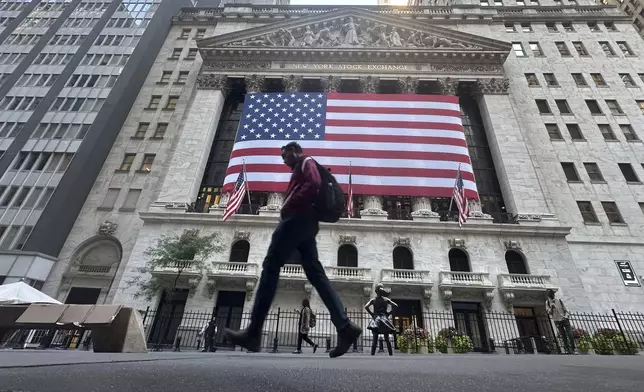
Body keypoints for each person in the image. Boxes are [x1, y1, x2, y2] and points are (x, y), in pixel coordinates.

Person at [224, 142, 362, 358]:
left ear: (296, 151)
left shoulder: (306, 161)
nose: (283, 158)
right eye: (281, 156)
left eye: (285, 154)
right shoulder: (299, 167)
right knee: (316, 274)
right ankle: (345, 327)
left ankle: (253, 332)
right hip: (307, 222)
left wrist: (289, 206)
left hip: (297, 219)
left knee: (271, 265)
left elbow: (314, 183)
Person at [365, 284, 397, 356]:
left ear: (376, 291)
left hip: (376, 319)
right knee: (387, 339)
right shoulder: (386, 300)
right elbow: (395, 305)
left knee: (375, 340)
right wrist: (389, 313)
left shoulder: (373, 300)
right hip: (384, 319)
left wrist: (372, 314)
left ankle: (372, 355)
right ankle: (390, 354)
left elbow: (366, 307)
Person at [545, 289, 576, 354]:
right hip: (557, 320)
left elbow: (565, 309)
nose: (550, 297)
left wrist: (566, 316)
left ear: (553, 294)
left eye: (551, 295)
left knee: (570, 334)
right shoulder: (547, 302)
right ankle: (567, 349)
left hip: (564, 319)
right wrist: (551, 309)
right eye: (548, 295)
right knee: (563, 335)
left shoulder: (559, 300)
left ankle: (574, 348)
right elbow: (549, 312)